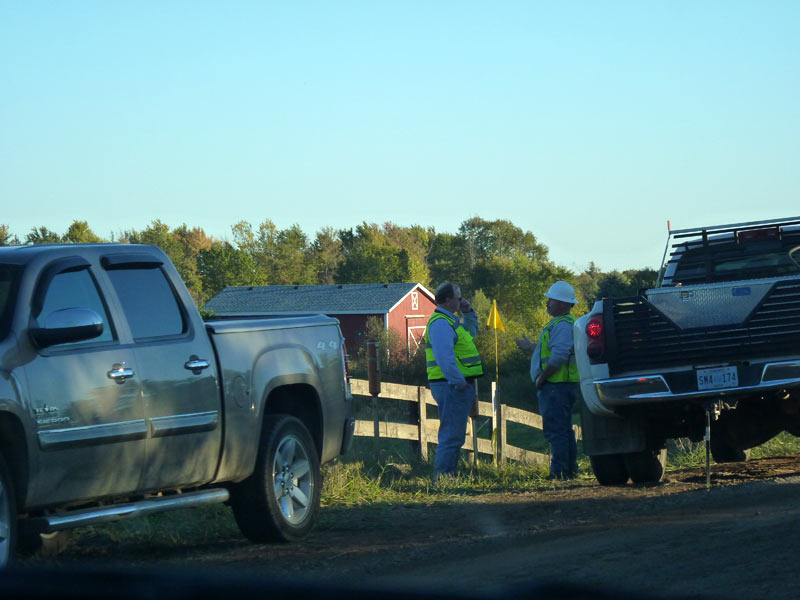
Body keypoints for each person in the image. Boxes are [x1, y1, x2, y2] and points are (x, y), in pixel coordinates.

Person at [516, 280, 580, 480]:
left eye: (551, 299)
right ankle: (569, 470)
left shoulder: (561, 325)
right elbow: (555, 351)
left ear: (561, 303)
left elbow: (559, 356)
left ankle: (559, 472)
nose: (547, 303)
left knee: (556, 431)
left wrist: (542, 378)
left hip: (555, 386)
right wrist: (530, 348)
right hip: (561, 386)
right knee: (564, 430)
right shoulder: (566, 324)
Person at [424, 282, 483, 480]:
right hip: (450, 385)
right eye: (458, 297)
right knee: (451, 435)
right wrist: (459, 382)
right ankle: (443, 478)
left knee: (455, 434)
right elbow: (444, 357)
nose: (461, 300)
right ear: (448, 300)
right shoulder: (441, 323)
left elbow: (471, 333)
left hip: (451, 384)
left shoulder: (451, 321)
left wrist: (468, 313)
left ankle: (448, 476)